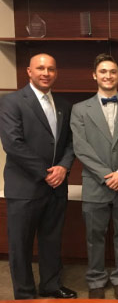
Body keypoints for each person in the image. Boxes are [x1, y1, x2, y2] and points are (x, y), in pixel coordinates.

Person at [70, 54, 118, 299]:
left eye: (113, 71)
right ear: (95, 75)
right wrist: (107, 175)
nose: (108, 75)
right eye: (103, 71)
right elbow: (81, 148)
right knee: (95, 236)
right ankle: (95, 281)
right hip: (95, 185)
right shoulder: (80, 109)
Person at [0, 53, 76, 299]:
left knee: (51, 240)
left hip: (56, 187)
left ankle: (51, 285)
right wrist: (45, 174)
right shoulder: (11, 102)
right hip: (25, 187)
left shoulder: (64, 105)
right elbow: (13, 144)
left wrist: (63, 167)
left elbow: (69, 143)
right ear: (29, 72)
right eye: (41, 68)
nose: (46, 73)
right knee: (20, 245)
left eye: (51, 69)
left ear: (56, 73)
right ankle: (24, 293)